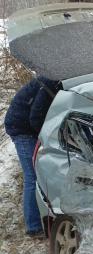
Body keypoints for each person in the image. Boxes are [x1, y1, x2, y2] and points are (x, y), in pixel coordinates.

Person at [4, 77, 60, 237]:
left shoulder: (57, 80)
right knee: (33, 176)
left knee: (42, 174)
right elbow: (36, 117)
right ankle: (34, 227)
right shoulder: (51, 82)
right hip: (21, 128)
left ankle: (46, 219)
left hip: (29, 125)